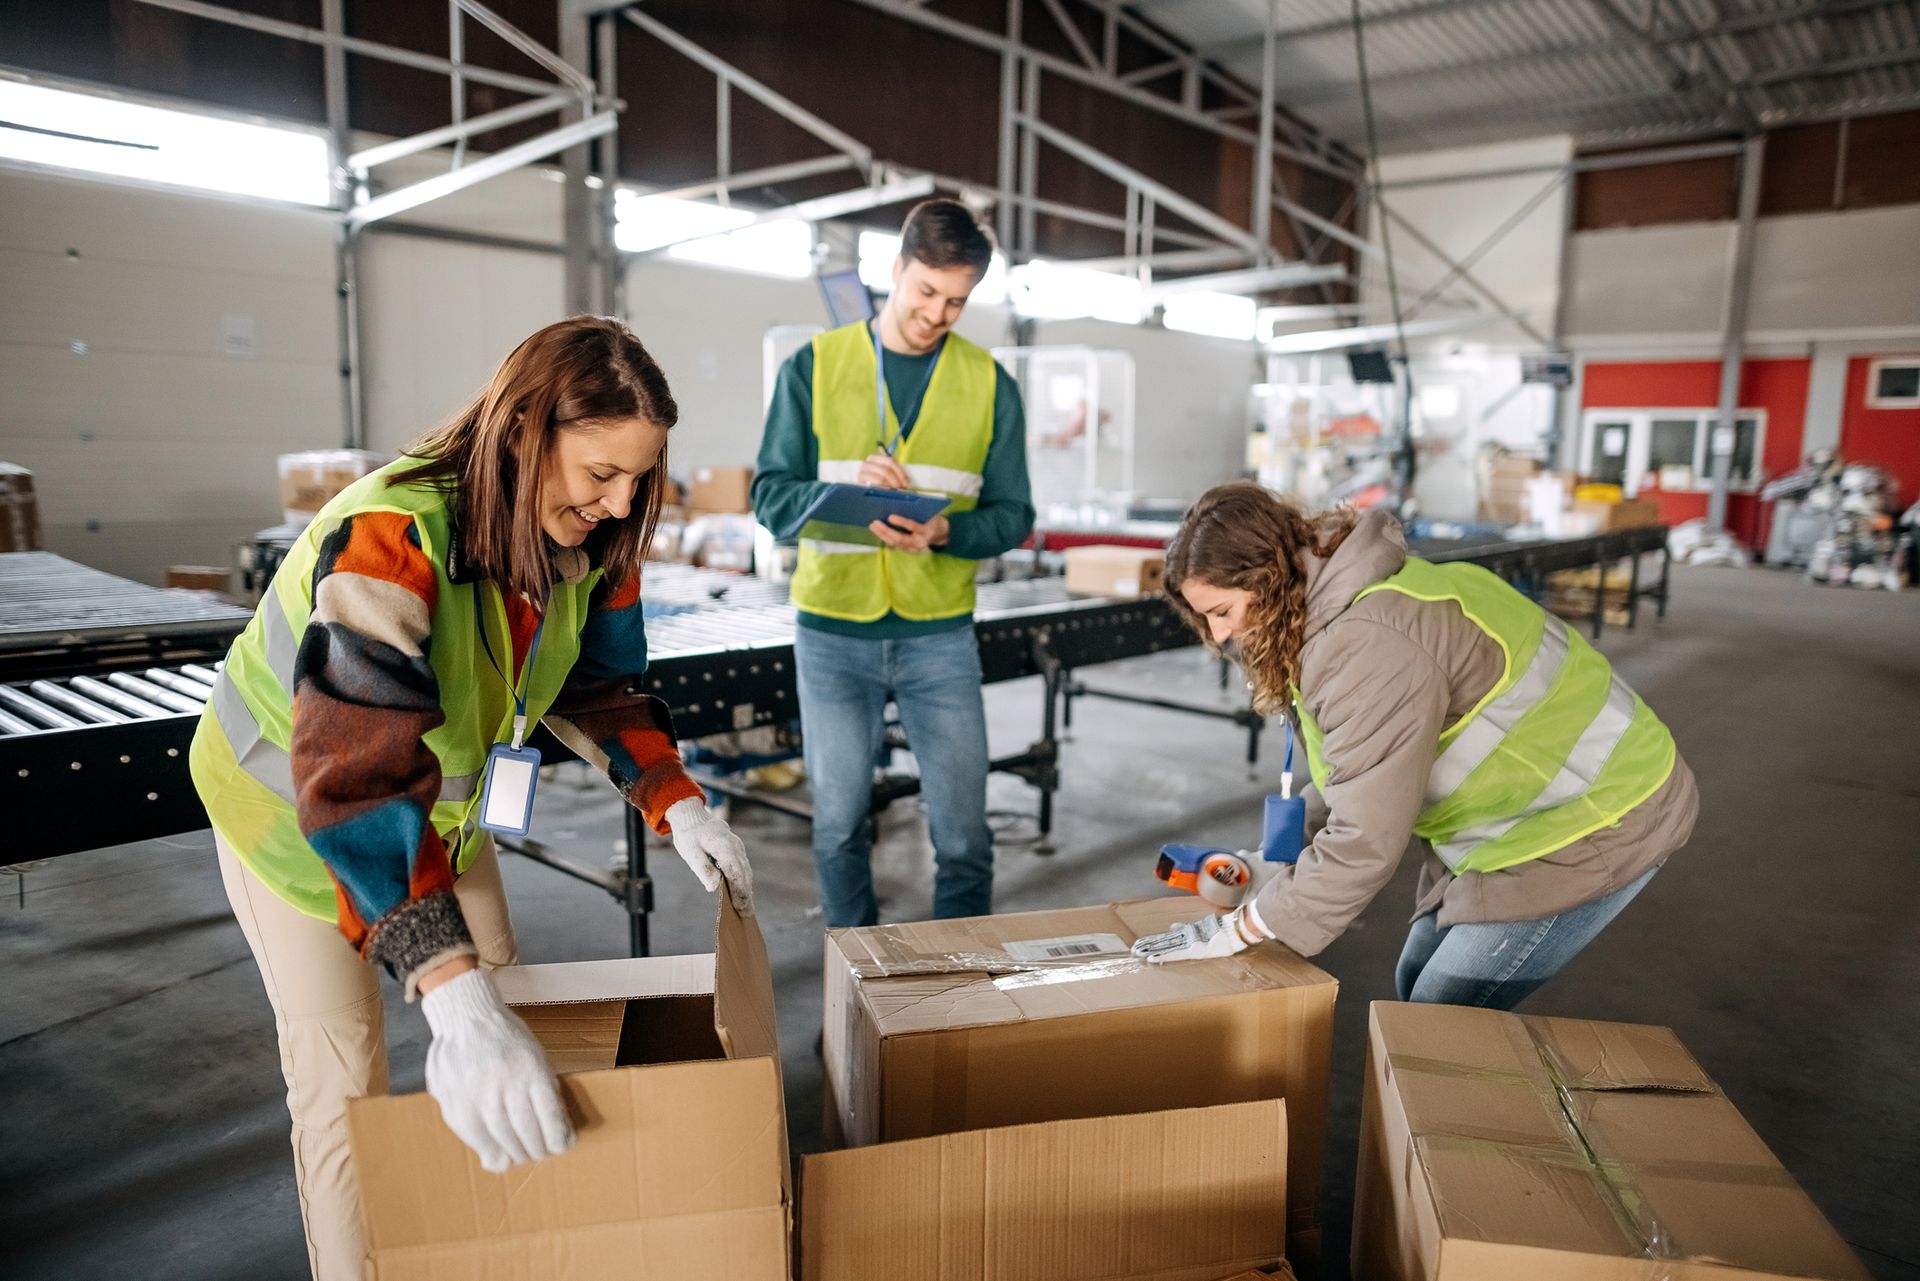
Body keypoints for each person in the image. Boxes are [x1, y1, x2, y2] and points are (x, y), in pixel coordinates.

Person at [190, 317, 754, 1281]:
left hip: (439, 814)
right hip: (295, 827)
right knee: (347, 1082)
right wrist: (447, 994)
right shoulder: (390, 536)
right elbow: (355, 774)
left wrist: (677, 798)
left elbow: (598, 686)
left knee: (511, 1005)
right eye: (599, 475)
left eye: (638, 478)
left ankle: (504, 1240)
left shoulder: (594, 538)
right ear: (528, 431)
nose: (621, 505)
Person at [1132, 483, 1697, 1010]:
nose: (1221, 637)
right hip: (1516, 817)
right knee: (1415, 984)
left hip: (1595, 819)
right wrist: (1272, 859)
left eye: (1223, 612)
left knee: (1435, 1020)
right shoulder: (1333, 608)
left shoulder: (1366, 643)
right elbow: (1359, 770)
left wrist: (1243, 928)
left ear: (1268, 579)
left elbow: (1364, 839)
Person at [751, 199, 1033, 928]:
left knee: (966, 835)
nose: (937, 314)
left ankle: (951, 998)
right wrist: (839, 496)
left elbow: (1014, 516)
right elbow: (770, 496)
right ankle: (856, 991)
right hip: (833, 633)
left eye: (957, 301)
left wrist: (946, 533)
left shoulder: (991, 385)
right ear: (896, 271)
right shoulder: (813, 367)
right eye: (926, 293)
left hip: (939, 635)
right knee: (839, 826)